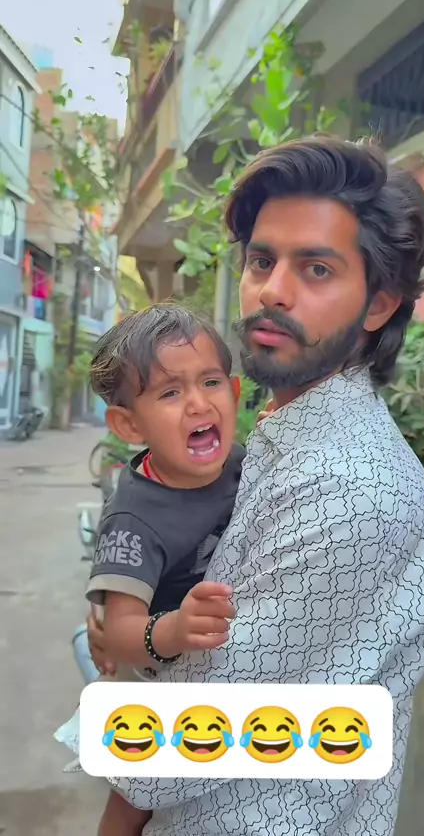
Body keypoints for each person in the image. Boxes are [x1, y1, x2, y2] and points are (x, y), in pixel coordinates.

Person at [87, 136, 424, 836]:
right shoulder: (280, 435)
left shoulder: (350, 489)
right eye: (261, 260)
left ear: (378, 304)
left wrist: (139, 645)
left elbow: (191, 727)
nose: (271, 290)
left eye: (316, 268)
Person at [56, 304, 245, 836]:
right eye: (170, 392)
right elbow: (119, 633)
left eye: (211, 382)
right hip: (153, 671)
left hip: (208, 667)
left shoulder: (241, 462)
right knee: (134, 794)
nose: (198, 403)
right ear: (129, 424)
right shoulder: (134, 519)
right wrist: (175, 629)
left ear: (235, 392)